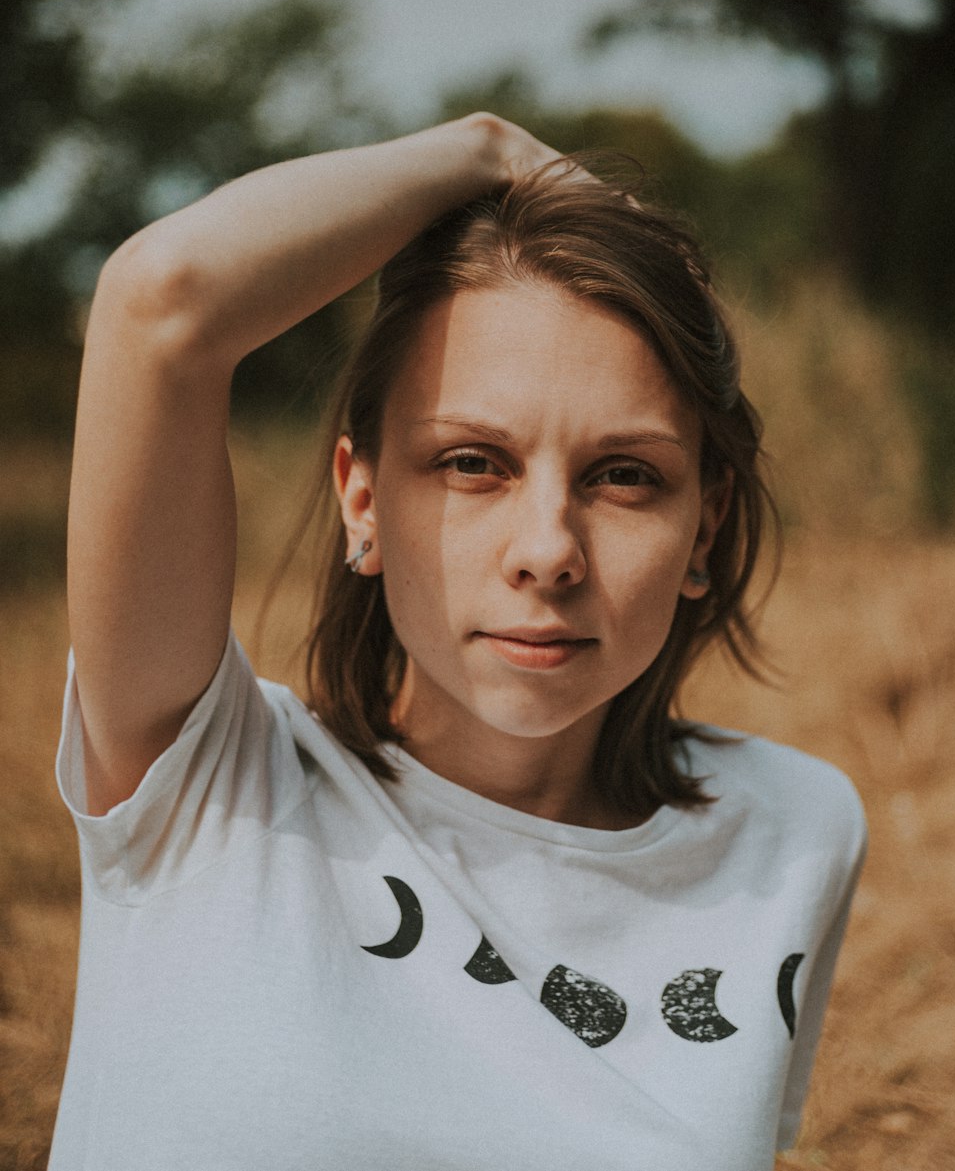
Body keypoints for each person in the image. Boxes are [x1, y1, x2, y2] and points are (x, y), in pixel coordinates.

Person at [52, 113, 866, 1170]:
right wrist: (488, 152)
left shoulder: (794, 831)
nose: (547, 551)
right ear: (363, 497)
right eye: (473, 462)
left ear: (701, 526)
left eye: (624, 474)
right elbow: (162, 300)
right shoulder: (203, 782)